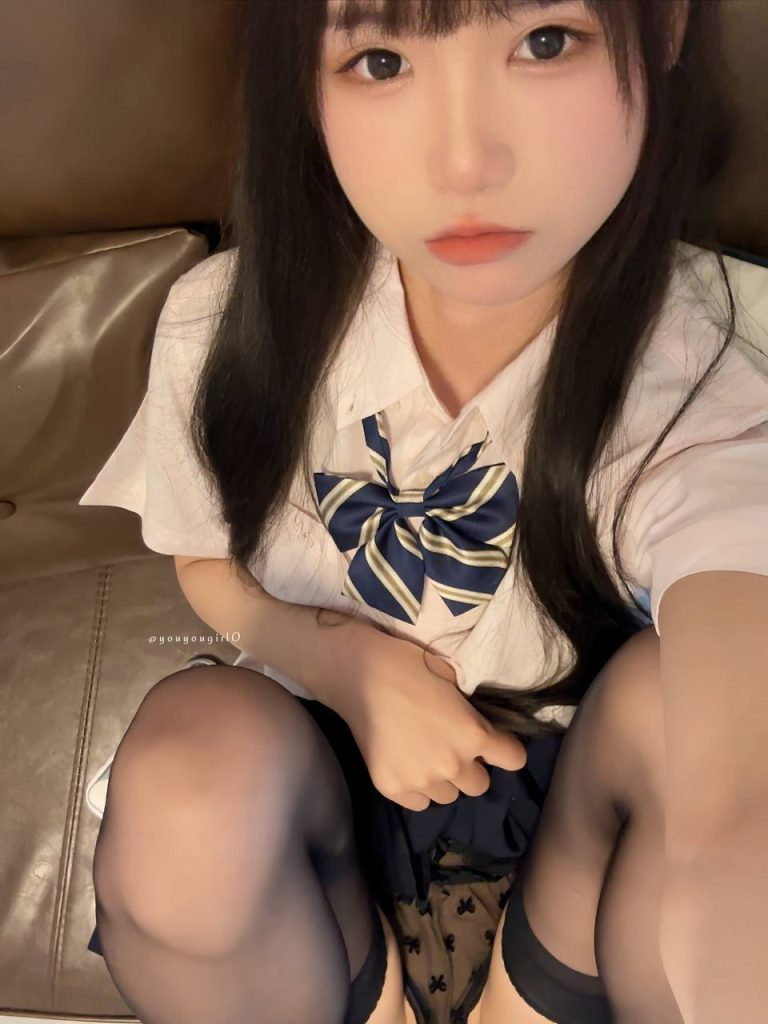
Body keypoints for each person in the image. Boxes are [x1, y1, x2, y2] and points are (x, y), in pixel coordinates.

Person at [78, 1, 768, 1022]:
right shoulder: (227, 323)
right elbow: (206, 557)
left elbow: (736, 758)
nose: (464, 162)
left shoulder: (728, 361)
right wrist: (343, 667)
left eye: (544, 42)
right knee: (188, 777)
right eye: (380, 60)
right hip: (313, 810)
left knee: (681, 713)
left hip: (591, 842)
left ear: (663, 25)